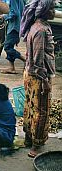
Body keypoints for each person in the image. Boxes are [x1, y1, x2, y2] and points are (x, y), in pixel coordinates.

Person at [20, 0, 56, 158]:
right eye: (53, 8)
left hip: (30, 74)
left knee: (30, 107)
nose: (55, 11)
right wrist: (45, 81)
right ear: (45, 11)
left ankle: (29, 138)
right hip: (38, 77)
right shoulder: (40, 30)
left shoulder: (35, 26)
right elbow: (38, 60)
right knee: (41, 111)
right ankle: (36, 145)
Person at [0, 0, 26, 73]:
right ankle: (11, 68)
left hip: (14, 27)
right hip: (17, 25)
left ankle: (26, 60)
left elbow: (14, 13)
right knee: (10, 46)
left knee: (7, 47)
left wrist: (5, 16)